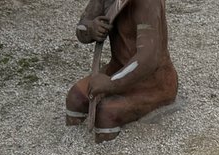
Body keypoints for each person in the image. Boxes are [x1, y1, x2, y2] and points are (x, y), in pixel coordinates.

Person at [66, 0, 177, 143]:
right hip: (117, 67)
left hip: (152, 81)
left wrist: (112, 83)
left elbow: (149, 57)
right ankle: (70, 148)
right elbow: (82, 26)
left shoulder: (148, 3)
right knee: (75, 98)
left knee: (106, 114)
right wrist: (91, 29)